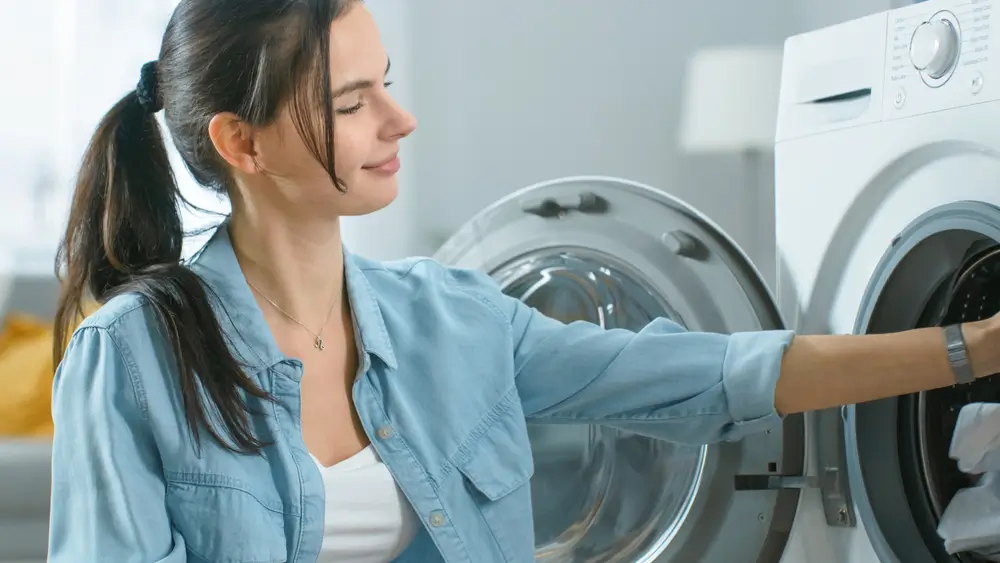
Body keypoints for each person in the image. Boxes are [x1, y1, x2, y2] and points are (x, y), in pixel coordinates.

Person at [46, 1, 999, 562]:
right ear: (240, 142)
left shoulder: (451, 320)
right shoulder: (131, 361)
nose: (400, 118)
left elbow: (723, 375)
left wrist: (972, 349)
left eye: (385, 80)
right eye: (352, 100)